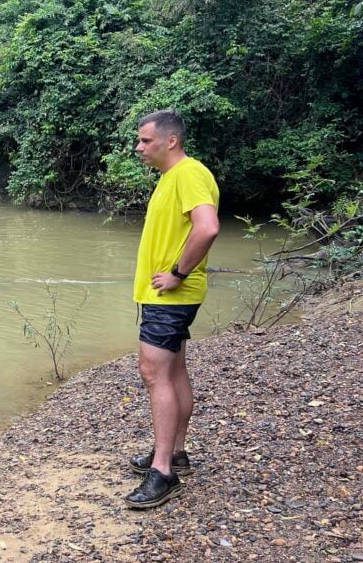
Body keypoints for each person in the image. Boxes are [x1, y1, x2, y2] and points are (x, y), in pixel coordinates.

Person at [125, 109, 219, 509]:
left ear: (170, 141)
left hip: (172, 296)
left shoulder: (190, 174)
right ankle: (175, 452)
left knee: (154, 372)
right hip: (167, 297)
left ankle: (162, 471)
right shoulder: (170, 178)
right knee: (174, 369)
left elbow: (208, 227)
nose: (138, 147)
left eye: (145, 140)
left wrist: (178, 273)